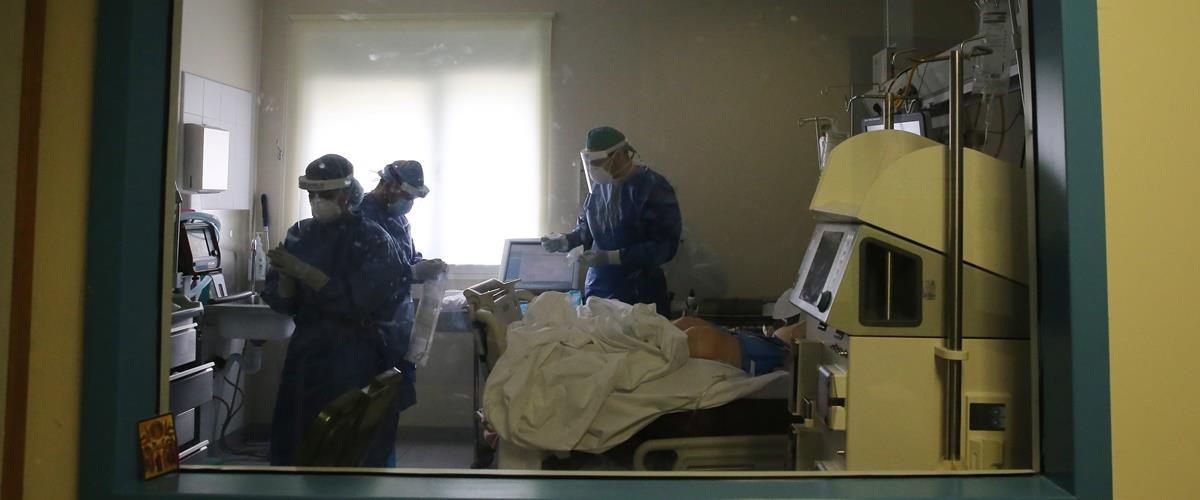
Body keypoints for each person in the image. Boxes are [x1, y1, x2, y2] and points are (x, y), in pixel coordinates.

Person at [260, 153, 414, 466]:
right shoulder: (300, 233)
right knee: (297, 442)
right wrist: (287, 278)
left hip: (354, 354)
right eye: (311, 195)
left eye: (326, 195)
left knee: (349, 447)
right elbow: (284, 303)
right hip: (307, 354)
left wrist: (306, 272)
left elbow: (358, 302)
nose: (317, 202)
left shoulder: (372, 238)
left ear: (346, 194)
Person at [540, 126, 683, 316]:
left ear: (618, 155)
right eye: (590, 162)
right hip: (598, 290)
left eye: (597, 161)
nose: (593, 168)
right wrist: (566, 240)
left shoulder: (652, 187)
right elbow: (588, 228)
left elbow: (666, 246)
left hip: (640, 295)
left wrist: (613, 257)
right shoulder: (599, 188)